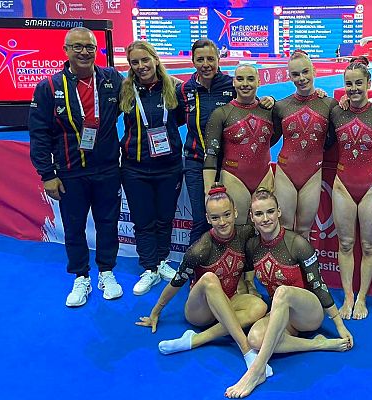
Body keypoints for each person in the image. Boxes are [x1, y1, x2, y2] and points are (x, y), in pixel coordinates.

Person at [225, 188, 353, 398]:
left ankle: (256, 370)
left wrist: (339, 325)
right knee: (255, 338)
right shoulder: (252, 246)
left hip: (308, 313)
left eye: (270, 212)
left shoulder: (297, 244)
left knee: (282, 293)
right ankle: (318, 344)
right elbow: (245, 272)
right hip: (282, 314)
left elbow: (319, 285)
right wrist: (250, 288)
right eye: (259, 214)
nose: (265, 218)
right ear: (251, 217)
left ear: (279, 212)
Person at [29, 27, 124, 307]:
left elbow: (147, 90)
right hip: (70, 171)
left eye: (90, 47)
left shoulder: (111, 79)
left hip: (107, 169)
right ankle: (80, 276)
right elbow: (39, 133)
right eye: (78, 47)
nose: (84, 52)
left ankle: (106, 272)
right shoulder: (49, 87)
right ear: (66, 50)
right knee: (74, 227)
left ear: (97, 50)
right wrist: (47, 174)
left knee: (108, 224)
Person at [137, 186, 272, 375]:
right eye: (215, 218)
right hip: (200, 311)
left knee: (259, 306)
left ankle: (195, 340)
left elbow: (269, 226)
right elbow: (177, 282)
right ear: (208, 219)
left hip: (228, 299)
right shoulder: (200, 248)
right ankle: (246, 350)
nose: (222, 222)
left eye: (226, 215)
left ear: (235, 213)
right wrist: (155, 312)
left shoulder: (245, 233)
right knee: (209, 278)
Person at [177, 40, 274, 246]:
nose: (206, 64)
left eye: (210, 59)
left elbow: (250, 100)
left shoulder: (230, 84)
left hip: (228, 164)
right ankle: (198, 271)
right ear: (193, 61)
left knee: (231, 221)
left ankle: (231, 265)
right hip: (197, 161)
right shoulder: (185, 90)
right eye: (200, 59)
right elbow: (174, 118)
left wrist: (269, 100)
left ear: (218, 60)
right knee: (203, 218)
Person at [119, 41, 184, 295]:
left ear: (155, 60)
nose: (141, 66)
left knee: (164, 218)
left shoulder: (174, 88)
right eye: (135, 62)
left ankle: (162, 261)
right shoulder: (125, 90)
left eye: (145, 60)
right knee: (143, 221)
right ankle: (149, 268)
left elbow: (180, 119)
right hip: (135, 168)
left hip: (169, 166)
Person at [329, 59, 372, 320]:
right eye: (348, 84)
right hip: (343, 185)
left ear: (368, 83)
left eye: (358, 83)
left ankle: (362, 297)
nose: (353, 88)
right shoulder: (336, 112)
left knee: (368, 246)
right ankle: (348, 297)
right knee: (345, 243)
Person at [272, 50, 338, 239]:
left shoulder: (329, 104)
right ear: (289, 76)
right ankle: (285, 269)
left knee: (304, 230)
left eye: (305, 72)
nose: (301, 78)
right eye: (295, 74)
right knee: (284, 227)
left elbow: (334, 136)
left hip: (312, 173)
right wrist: (265, 103)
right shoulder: (281, 106)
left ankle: (301, 269)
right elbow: (270, 138)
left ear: (314, 71)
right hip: (286, 172)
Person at [203, 64, 277, 226]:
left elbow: (273, 137)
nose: (245, 83)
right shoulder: (221, 114)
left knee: (264, 230)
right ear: (234, 82)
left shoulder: (270, 111)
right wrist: (208, 192)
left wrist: (273, 100)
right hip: (234, 177)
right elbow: (211, 154)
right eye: (240, 79)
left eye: (250, 79)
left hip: (264, 175)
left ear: (258, 81)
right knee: (239, 229)